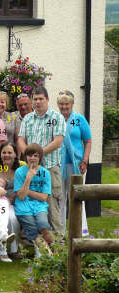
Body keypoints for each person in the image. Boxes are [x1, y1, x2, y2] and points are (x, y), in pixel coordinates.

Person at [17, 86, 66, 234]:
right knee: (30, 204)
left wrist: (37, 155)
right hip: (31, 169)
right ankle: (33, 241)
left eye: (41, 99)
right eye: (35, 99)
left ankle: (59, 242)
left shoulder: (56, 118)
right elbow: (20, 139)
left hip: (50, 168)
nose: (37, 102)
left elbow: (57, 142)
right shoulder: (28, 118)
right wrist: (29, 155)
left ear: (47, 100)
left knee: (52, 206)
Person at [58, 90, 91, 236]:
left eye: (66, 104)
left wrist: (85, 160)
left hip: (77, 163)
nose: (64, 106)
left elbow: (88, 141)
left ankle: (82, 230)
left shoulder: (78, 119)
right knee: (60, 197)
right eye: (61, 104)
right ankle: (61, 231)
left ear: (72, 104)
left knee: (77, 197)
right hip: (59, 163)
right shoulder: (55, 119)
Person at [14, 143, 56, 257]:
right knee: (32, 227)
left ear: (40, 157)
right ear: (25, 157)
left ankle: (57, 252)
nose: (32, 158)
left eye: (36, 155)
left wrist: (26, 190)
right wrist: (28, 178)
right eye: (30, 155)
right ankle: (45, 253)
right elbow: (21, 197)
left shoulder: (45, 173)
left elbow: (44, 197)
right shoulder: (19, 172)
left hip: (39, 205)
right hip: (23, 206)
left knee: (43, 224)